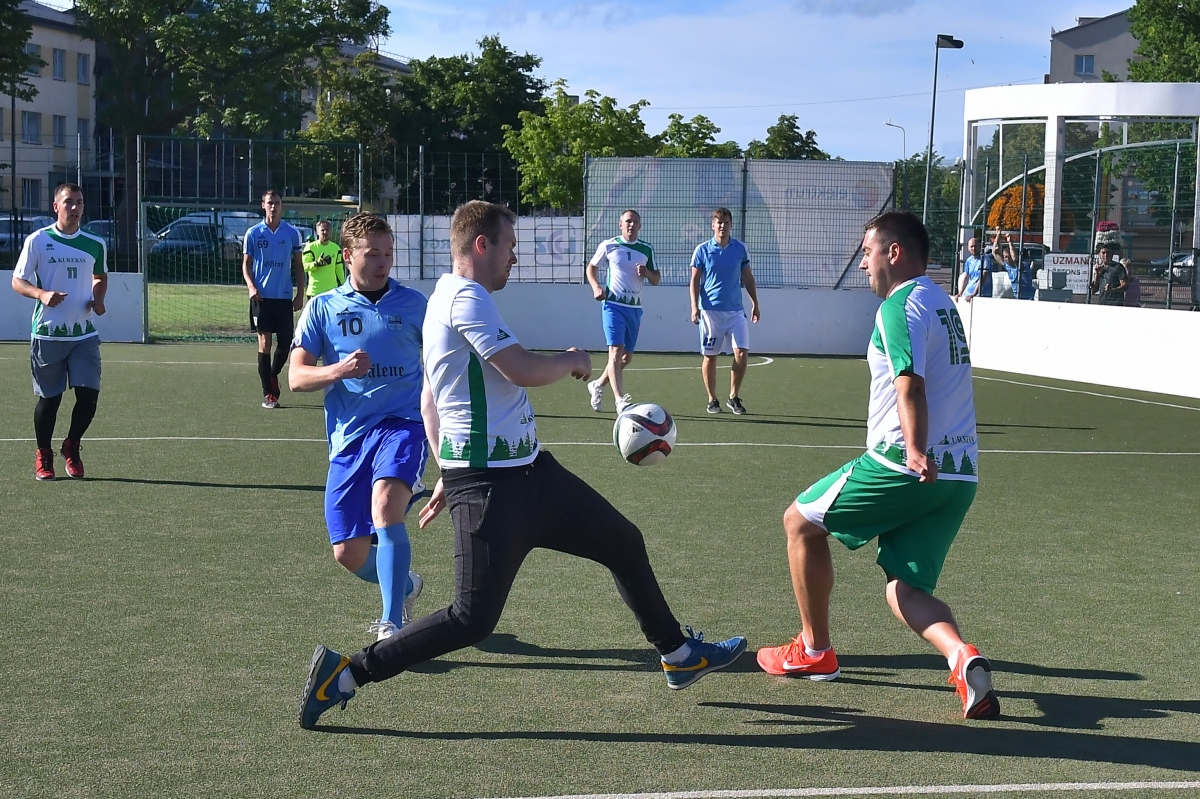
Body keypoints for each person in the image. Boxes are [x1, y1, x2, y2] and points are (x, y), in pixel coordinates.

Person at [298, 200, 747, 729]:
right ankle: (346, 674)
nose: (515, 258)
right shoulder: (464, 298)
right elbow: (520, 369)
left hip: (531, 473)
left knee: (623, 542)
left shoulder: (444, 296)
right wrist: (574, 360)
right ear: (482, 245)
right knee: (470, 619)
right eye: (510, 246)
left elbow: (428, 397)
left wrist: (443, 468)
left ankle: (677, 653)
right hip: (490, 489)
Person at [756, 211, 1000, 721]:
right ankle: (962, 658)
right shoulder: (943, 303)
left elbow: (909, 382)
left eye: (867, 252)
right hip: (959, 476)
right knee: (904, 589)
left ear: (894, 252)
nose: (863, 264)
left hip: (904, 467)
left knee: (798, 522)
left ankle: (815, 650)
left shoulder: (898, 304)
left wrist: (914, 449)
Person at [289, 213, 427, 642]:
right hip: (349, 437)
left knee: (385, 506)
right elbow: (296, 377)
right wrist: (338, 370)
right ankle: (406, 585)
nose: (383, 262)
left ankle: (392, 623)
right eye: (372, 254)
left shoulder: (415, 305)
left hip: (403, 425)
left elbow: (447, 363)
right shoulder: (323, 307)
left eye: (388, 253)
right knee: (348, 552)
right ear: (348, 256)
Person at [11, 183, 107, 481]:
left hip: (84, 335)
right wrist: (41, 294)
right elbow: (18, 280)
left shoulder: (95, 243)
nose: (75, 208)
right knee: (50, 400)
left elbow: (100, 276)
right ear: (56, 206)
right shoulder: (38, 240)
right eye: (68, 202)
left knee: (88, 396)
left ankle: (72, 445)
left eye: (79, 202)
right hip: (48, 334)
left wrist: (99, 298)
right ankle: (44, 454)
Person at [584, 209, 660, 413]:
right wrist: (596, 287)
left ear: (640, 226)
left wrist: (647, 272)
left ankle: (598, 384)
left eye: (635, 222)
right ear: (620, 225)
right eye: (628, 221)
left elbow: (656, 279)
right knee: (616, 352)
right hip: (613, 305)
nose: (631, 225)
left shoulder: (646, 249)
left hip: (634, 308)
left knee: (626, 358)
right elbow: (591, 267)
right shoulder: (609, 245)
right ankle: (620, 401)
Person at [689, 207, 761, 415]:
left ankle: (733, 396)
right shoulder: (702, 250)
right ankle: (712, 399)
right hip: (710, 312)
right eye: (719, 222)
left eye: (726, 222)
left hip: (736, 311)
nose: (723, 226)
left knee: (742, 353)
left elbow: (748, 277)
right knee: (710, 357)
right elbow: (694, 280)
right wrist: (694, 307)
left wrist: (755, 303)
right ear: (713, 225)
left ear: (731, 225)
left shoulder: (740, 249)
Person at [243, 189, 304, 409]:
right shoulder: (253, 233)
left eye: (277, 203)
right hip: (261, 298)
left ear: (281, 206)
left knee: (285, 343)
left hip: (283, 298)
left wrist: (300, 294)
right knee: (265, 342)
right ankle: (268, 393)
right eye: (270, 203)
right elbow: (246, 265)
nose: (273, 207)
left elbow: (299, 266)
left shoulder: (292, 233)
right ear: (263, 205)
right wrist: (251, 287)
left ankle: (272, 374)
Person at [301, 220, 346, 301]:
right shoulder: (310, 248)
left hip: (332, 292)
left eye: (327, 230)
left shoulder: (336, 248)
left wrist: (344, 285)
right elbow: (304, 267)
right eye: (322, 230)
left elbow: (339, 268)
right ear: (317, 232)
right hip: (315, 291)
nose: (325, 232)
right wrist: (316, 264)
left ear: (331, 231)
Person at [956, 236, 993, 302]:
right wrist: (960, 293)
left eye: (975, 246)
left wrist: (974, 293)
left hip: (982, 295)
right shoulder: (969, 260)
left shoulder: (985, 260)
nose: (974, 248)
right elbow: (966, 277)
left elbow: (983, 277)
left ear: (980, 247)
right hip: (969, 294)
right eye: (971, 246)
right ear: (968, 248)